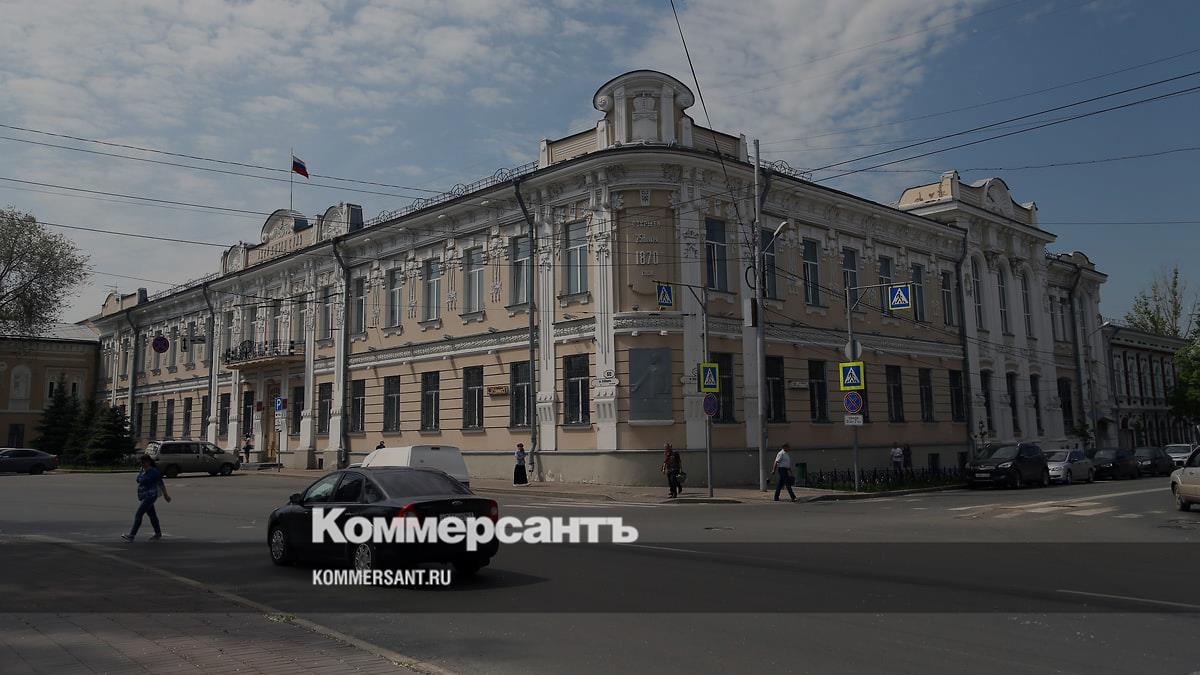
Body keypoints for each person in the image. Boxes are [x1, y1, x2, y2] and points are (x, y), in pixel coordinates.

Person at [122, 454, 170, 541]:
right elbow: (138, 480)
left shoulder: (154, 471)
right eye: (141, 463)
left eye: (144, 462)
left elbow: (161, 483)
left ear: (148, 462)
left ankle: (132, 535)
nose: (142, 464)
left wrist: (166, 495)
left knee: (139, 514)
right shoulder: (143, 470)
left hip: (150, 496)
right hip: (143, 496)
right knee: (152, 515)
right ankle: (158, 533)